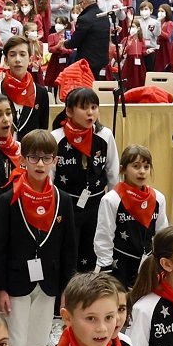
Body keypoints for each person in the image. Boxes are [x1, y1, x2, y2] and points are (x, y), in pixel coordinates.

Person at [0, 130, 80, 346]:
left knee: (39, 344)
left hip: (49, 281)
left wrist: (67, 289)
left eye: (46, 158)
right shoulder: (8, 199)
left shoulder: (63, 199)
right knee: (16, 344)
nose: (40, 164)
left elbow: (69, 248)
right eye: (33, 158)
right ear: (22, 160)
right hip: (16, 281)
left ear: (55, 161)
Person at [52, 86, 120, 274]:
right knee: (68, 254)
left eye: (94, 107)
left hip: (96, 203)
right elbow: (50, 178)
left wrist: (115, 206)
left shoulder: (105, 135)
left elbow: (113, 172)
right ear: (69, 111)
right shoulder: (56, 138)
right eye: (84, 108)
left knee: (91, 256)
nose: (90, 113)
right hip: (67, 204)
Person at [92, 144, 166, 291]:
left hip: (148, 265)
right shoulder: (111, 199)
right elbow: (104, 236)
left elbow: (162, 233)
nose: (142, 172)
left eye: (146, 167)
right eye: (136, 166)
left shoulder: (158, 198)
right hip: (120, 265)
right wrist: (106, 268)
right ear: (123, 169)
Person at [69, 0, 111, 79]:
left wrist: (65, 43)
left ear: (84, 3)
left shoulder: (84, 19)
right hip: (102, 58)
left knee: (87, 84)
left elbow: (75, 42)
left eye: (80, 3)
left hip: (88, 60)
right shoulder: (104, 16)